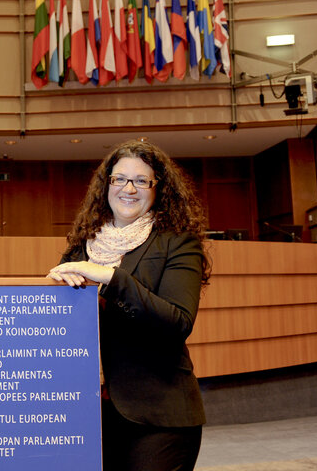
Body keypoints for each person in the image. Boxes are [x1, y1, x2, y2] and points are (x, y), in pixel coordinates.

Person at [48, 139, 210, 471]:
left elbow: (177, 321)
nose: (128, 188)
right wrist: (53, 287)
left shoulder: (178, 242)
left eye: (141, 180)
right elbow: (62, 321)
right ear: (106, 185)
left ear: (158, 189)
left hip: (159, 417)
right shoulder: (83, 243)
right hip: (89, 414)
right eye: (119, 179)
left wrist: (111, 278)